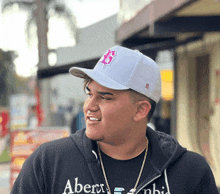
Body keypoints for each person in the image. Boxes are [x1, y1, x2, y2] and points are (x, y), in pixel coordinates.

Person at [11, 46, 219, 194]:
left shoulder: (191, 171)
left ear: (141, 110)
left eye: (105, 97)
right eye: (89, 93)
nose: (89, 106)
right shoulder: (49, 162)